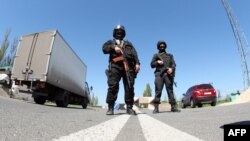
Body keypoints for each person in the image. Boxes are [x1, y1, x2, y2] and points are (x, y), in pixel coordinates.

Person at [102, 25, 140, 115]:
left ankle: (129, 107)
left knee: (129, 86)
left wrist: (138, 63)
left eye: (121, 32)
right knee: (113, 85)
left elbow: (135, 54)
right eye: (117, 32)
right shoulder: (110, 42)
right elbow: (104, 49)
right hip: (115, 66)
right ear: (114, 33)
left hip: (128, 67)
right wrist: (114, 48)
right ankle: (110, 107)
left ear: (124, 34)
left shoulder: (129, 44)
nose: (119, 33)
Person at [150, 40, 180, 113]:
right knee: (158, 91)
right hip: (159, 75)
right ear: (158, 47)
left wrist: (171, 69)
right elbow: (151, 65)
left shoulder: (170, 55)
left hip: (168, 75)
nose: (162, 46)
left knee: (170, 91)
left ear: (165, 46)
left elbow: (173, 64)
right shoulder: (156, 55)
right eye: (160, 45)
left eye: (163, 45)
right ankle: (156, 108)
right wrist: (157, 62)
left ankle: (173, 107)